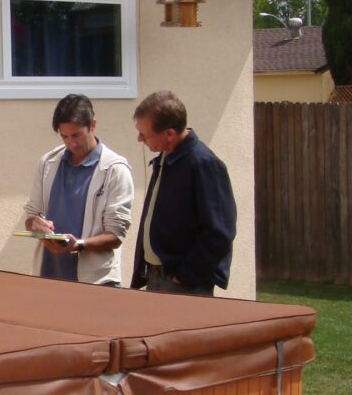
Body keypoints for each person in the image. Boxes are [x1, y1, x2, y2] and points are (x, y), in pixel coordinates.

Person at [130, 91, 237, 296]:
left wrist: (185, 276)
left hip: (184, 284)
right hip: (157, 277)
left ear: (169, 133)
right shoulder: (165, 157)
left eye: (145, 134)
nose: (139, 139)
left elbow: (219, 233)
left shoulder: (204, 164)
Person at [21, 93, 133, 286]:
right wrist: (36, 226)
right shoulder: (48, 163)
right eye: (64, 136)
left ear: (93, 125)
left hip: (96, 282)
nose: (71, 143)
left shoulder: (115, 169)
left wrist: (79, 244)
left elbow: (116, 235)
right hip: (51, 276)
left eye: (76, 135)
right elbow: (31, 217)